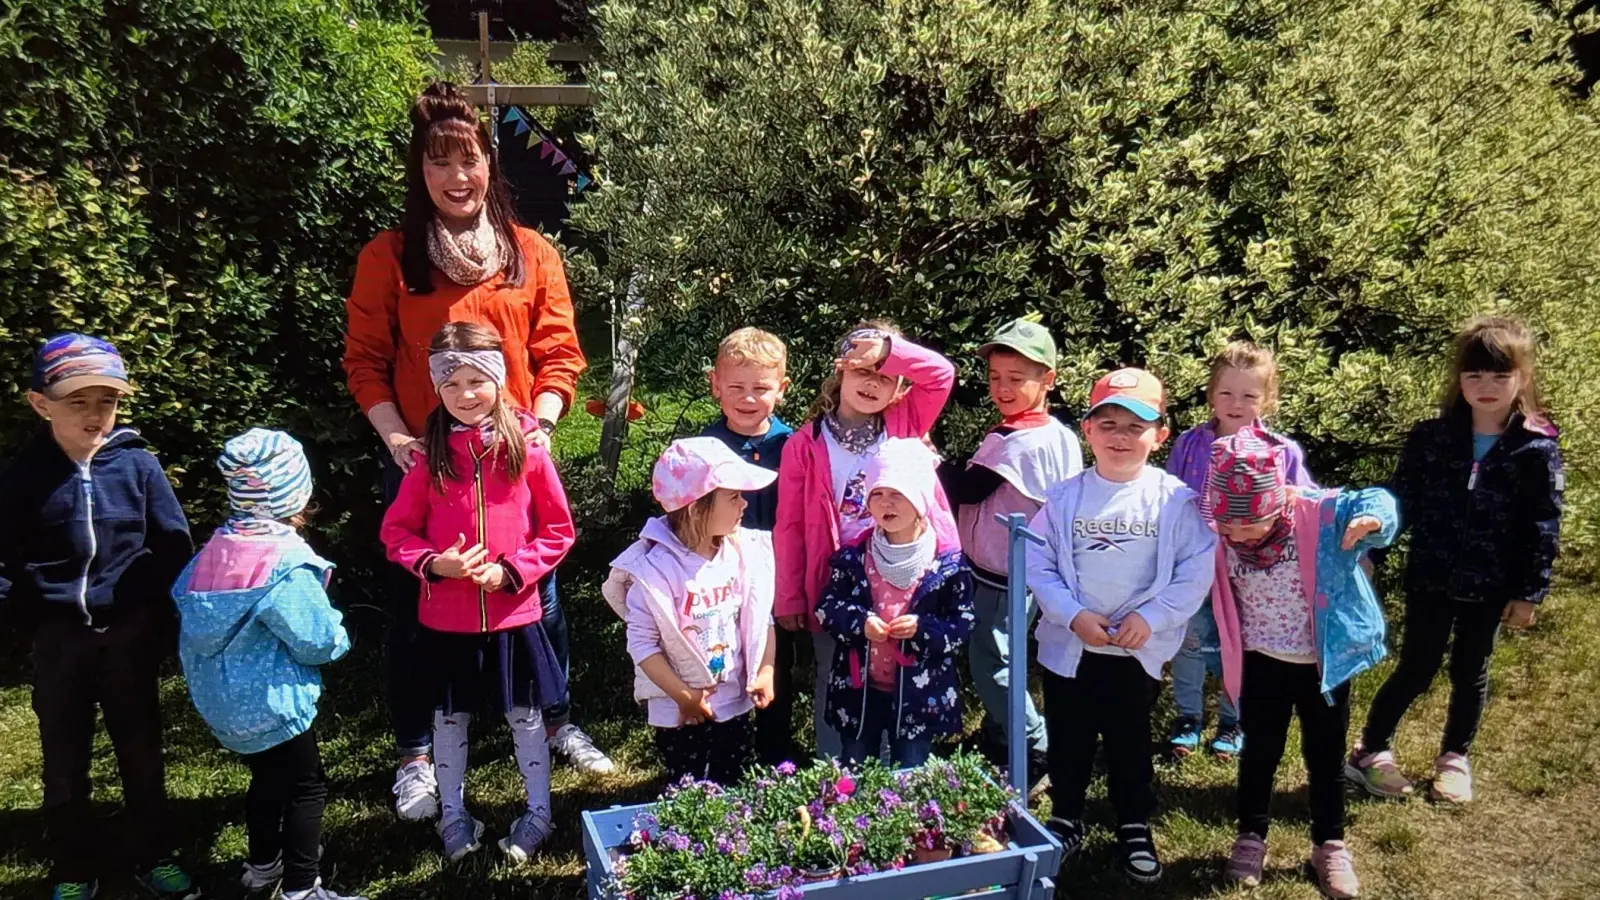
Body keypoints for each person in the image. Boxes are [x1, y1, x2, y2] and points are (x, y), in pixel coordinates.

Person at [342, 81, 607, 824]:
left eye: (469, 161)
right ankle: (416, 755)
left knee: (538, 600)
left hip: (514, 458)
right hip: (422, 463)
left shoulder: (531, 254)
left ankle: (553, 723)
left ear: (492, 163)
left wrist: (543, 427)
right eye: (439, 163)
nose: (457, 178)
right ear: (419, 172)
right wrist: (397, 435)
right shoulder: (389, 257)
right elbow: (363, 359)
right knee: (416, 610)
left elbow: (559, 352)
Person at [0, 334, 198, 900]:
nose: (95, 415)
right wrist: (30, 617)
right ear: (41, 404)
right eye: (77, 402)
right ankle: (72, 864)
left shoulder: (136, 464)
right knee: (63, 760)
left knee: (140, 751)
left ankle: (153, 852)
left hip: (128, 636)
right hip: (60, 640)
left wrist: (156, 619)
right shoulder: (21, 477)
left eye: (106, 402)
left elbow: (172, 545)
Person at [380, 323, 576, 863]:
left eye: (477, 380)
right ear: (437, 390)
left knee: (526, 715)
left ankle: (539, 813)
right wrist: (435, 564)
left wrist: (513, 572)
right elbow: (397, 533)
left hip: (516, 613)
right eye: (452, 384)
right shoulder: (426, 457)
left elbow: (558, 530)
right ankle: (453, 815)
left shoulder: (529, 449)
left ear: (500, 379)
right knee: (449, 718)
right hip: (446, 620)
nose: (466, 394)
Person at [1348, 316, 1563, 805]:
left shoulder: (1536, 448)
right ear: (1458, 380)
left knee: (1472, 668)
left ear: (1522, 379)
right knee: (1416, 667)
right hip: (1431, 574)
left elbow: (1542, 526)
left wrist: (1529, 592)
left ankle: (1454, 758)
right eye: (1474, 375)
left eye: (1499, 376)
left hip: (1491, 583)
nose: (1485, 386)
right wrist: (1372, 552)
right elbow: (1400, 503)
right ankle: (1370, 751)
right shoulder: (1432, 438)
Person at [1026, 368, 1215, 884]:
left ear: (1161, 434)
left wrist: (1149, 619)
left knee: (1131, 742)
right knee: (1069, 740)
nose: (1120, 437)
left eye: (1136, 426)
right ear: (1087, 430)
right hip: (1072, 648)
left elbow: (1195, 569)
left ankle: (1133, 823)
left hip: (1137, 652)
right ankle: (1066, 816)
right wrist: (1072, 615)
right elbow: (1038, 563)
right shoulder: (1065, 497)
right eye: (1107, 424)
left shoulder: (1176, 501)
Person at [1205, 428, 1396, 900]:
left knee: (1325, 758)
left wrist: (1371, 520)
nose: (1235, 536)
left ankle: (1329, 844)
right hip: (1261, 660)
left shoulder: (1318, 513)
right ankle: (1251, 837)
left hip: (1322, 664)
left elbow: (1378, 499)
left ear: (1275, 506)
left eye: (1246, 526)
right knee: (1259, 753)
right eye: (1226, 525)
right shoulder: (1221, 533)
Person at [174, 430, 363, 900]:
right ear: (296, 492)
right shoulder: (283, 563)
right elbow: (317, 641)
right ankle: (302, 888)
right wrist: (340, 638)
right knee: (307, 788)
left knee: (266, 780)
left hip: (223, 704)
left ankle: (262, 867)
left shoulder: (213, 552)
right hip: (273, 706)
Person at [774, 320, 958, 759]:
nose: (873, 383)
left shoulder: (907, 421)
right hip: (839, 585)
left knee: (903, 672)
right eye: (862, 371)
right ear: (841, 372)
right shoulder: (805, 443)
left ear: (898, 386)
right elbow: (791, 526)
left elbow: (940, 374)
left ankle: (899, 778)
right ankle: (834, 777)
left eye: (885, 375)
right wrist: (789, 599)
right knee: (835, 676)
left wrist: (887, 348)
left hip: (907, 573)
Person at [939, 317, 1081, 784]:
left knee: (992, 662)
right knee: (1005, 654)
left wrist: (928, 457)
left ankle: (1035, 744)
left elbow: (967, 488)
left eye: (1016, 380)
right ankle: (1004, 733)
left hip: (1001, 573)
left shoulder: (1019, 443)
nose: (1002, 388)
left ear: (1048, 380)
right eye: (995, 377)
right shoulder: (1057, 433)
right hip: (1025, 570)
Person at [1163, 341, 1315, 761]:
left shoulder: (1281, 450)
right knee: (1190, 638)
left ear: (1268, 399)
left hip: (1254, 569)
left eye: (1249, 395)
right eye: (1227, 393)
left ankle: (1234, 720)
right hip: (1194, 562)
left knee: (1243, 643)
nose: (1236, 403)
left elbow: (1304, 500)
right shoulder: (1190, 445)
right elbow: (1169, 497)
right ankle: (1188, 717)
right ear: (1211, 393)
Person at [602, 438, 779, 785]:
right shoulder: (654, 570)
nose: (744, 503)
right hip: (681, 713)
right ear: (697, 507)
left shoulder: (741, 553)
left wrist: (765, 670)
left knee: (734, 785)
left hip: (735, 702)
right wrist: (685, 698)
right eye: (733, 497)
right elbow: (643, 646)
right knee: (688, 791)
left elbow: (762, 617)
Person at [819, 439, 976, 769]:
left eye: (898, 493)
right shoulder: (853, 558)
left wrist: (923, 630)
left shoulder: (947, 566)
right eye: (877, 493)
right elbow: (829, 607)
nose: (886, 503)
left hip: (920, 696)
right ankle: (852, 819)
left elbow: (961, 624)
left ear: (921, 499)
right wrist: (859, 622)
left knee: (912, 769)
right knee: (855, 768)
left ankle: (910, 821)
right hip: (859, 692)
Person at [700, 327, 798, 766]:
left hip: (776, 574)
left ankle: (776, 747)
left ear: (782, 388)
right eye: (736, 386)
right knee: (721, 657)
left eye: (760, 388)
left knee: (776, 663)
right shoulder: (702, 446)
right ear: (714, 384)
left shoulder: (793, 445)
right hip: (719, 574)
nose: (748, 398)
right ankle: (722, 749)